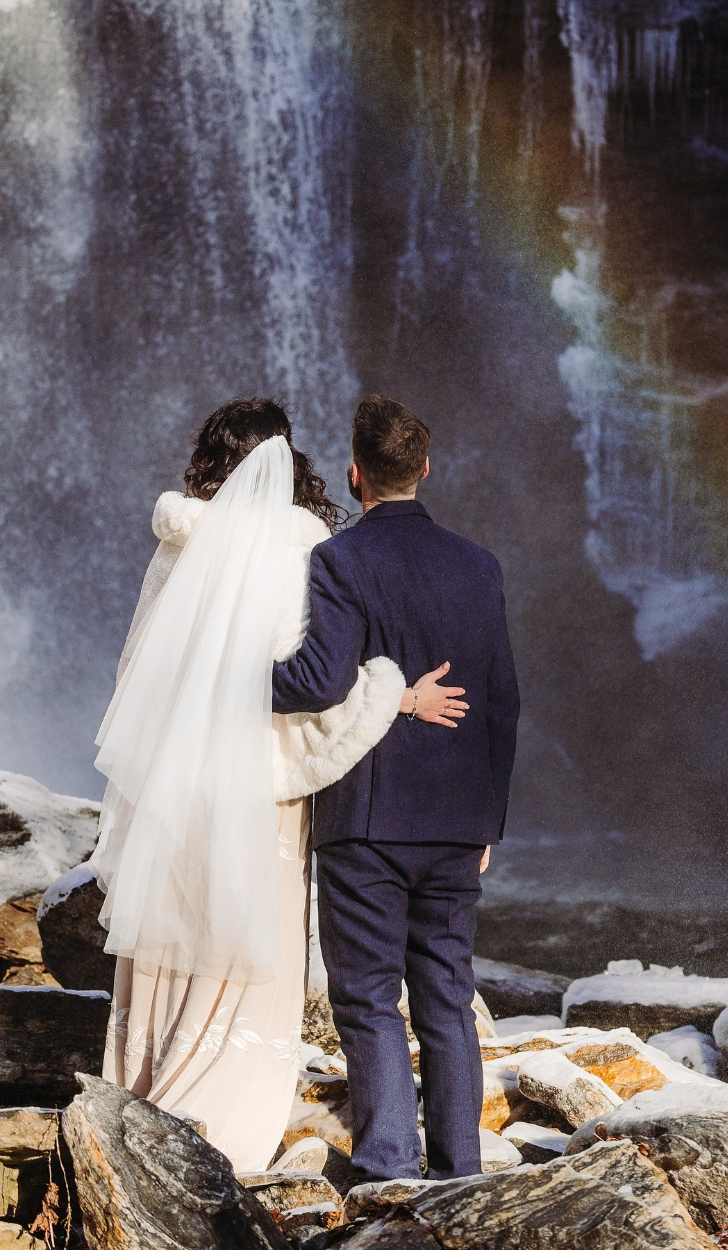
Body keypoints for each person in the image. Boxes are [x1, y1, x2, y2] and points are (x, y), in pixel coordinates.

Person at [92, 397, 464, 1172]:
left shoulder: (182, 545)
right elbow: (309, 690)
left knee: (170, 939)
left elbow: (143, 677)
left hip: (176, 786)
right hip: (257, 801)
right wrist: (393, 694)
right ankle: (217, 1111)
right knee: (242, 952)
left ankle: (140, 1093)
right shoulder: (306, 554)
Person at [272, 394, 520, 1182]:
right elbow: (503, 701)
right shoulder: (480, 564)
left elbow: (316, 683)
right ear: (425, 467)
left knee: (371, 996)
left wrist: (225, 674)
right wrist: (489, 822)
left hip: (369, 819)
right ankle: (460, 1170)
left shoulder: (341, 560)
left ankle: (386, 1167)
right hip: (456, 821)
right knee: (446, 997)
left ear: (355, 475)